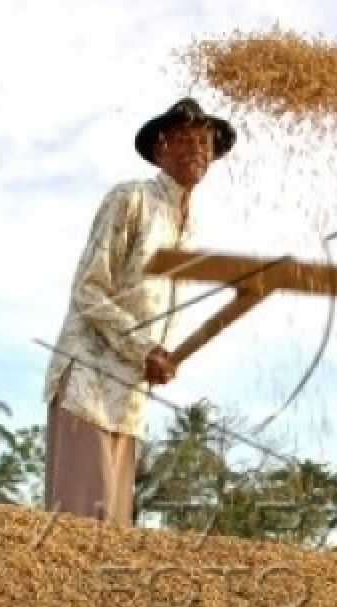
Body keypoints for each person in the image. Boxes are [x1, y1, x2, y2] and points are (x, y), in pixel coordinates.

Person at [41, 98, 236, 525]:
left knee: (111, 527)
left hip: (129, 396)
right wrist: (143, 348)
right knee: (77, 524)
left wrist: (160, 356)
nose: (196, 150)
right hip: (88, 383)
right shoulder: (131, 198)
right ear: (160, 147)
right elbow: (89, 290)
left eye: (204, 142)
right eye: (184, 139)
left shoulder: (190, 228)